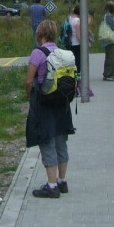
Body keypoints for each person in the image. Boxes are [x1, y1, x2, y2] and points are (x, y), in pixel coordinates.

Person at [25, 19, 74, 199]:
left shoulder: (38, 53)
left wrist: (28, 96)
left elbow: (29, 81)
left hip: (44, 104)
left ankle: (51, 186)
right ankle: (62, 181)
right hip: (62, 105)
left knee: (47, 142)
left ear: (41, 35)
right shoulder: (62, 53)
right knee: (61, 142)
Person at [101, 1, 114, 81]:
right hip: (110, 40)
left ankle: (111, 73)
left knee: (113, 57)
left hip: (111, 39)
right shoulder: (108, 16)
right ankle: (107, 75)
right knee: (110, 57)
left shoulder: (107, 16)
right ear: (111, 8)